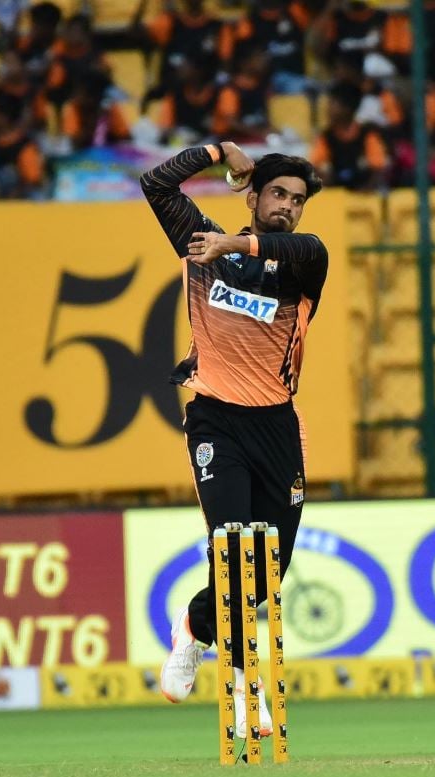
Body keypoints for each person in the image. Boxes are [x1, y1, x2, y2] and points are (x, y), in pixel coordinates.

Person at [140, 142, 327, 739]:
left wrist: (232, 246)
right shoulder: (201, 243)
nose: (287, 207)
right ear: (252, 196)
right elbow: (156, 184)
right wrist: (218, 150)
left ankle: (194, 627)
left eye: (297, 200)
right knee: (233, 552)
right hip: (217, 420)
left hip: (277, 427)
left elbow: (304, 248)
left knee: (266, 575)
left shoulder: (303, 262)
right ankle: (248, 693)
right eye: (277, 194)